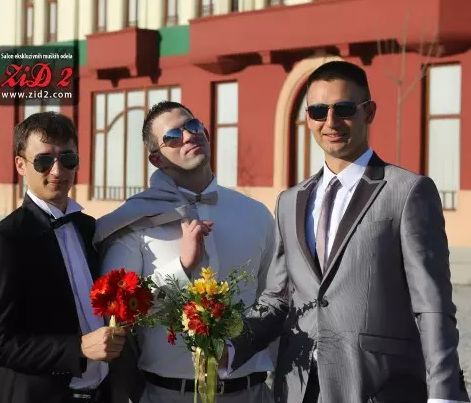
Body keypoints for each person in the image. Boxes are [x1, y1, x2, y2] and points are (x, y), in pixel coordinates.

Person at [224, 61, 470, 403]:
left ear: (369, 112)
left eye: (343, 109)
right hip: (298, 389)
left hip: (376, 388)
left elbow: (432, 304)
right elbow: (279, 299)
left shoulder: (408, 192)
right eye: (318, 111)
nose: (331, 122)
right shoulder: (289, 202)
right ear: (308, 117)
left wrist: (444, 393)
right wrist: (229, 345)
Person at [93, 101, 276, 403]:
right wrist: (182, 266)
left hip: (252, 392)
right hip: (168, 395)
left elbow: (275, 298)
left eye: (193, 127)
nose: (189, 136)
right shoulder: (134, 222)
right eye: (173, 137)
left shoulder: (255, 214)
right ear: (156, 159)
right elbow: (118, 312)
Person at [0, 112, 129, 403]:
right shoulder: (3, 241)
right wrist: (78, 348)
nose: (57, 170)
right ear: (21, 165)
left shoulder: (90, 229)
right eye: (44, 160)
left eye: (68, 159)